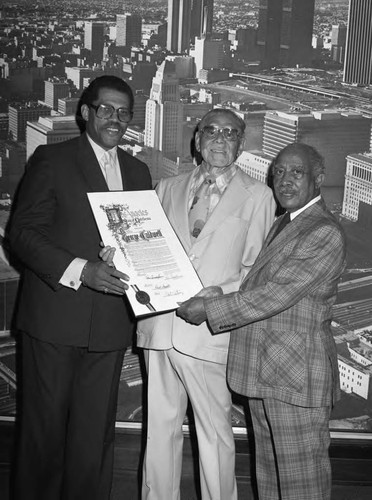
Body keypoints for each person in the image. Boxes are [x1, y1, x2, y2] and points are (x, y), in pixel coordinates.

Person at [8, 75, 152, 500]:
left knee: (94, 439)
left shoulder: (138, 170)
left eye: (124, 112)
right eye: (105, 109)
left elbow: (142, 244)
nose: (115, 118)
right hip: (55, 319)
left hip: (109, 325)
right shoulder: (52, 160)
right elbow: (23, 234)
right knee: (43, 436)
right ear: (86, 113)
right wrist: (80, 270)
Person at [177, 143, 347, 500]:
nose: (285, 181)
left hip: (295, 379)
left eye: (296, 173)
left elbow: (277, 295)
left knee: (302, 485)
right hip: (271, 373)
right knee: (270, 480)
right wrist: (218, 295)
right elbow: (263, 285)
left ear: (319, 178)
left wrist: (212, 310)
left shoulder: (323, 231)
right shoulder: (287, 222)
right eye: (279, 172)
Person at [137, 108, 275, 500]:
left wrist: (214, 301)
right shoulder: (166, 187)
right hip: (160, 327)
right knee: (159, 432)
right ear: (197, 140)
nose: (219, 138)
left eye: (230, 133)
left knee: (214, 435)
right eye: (211, 131)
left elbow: (255, 272)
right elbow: (148, 251)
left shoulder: (259, 196)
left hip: (210, 332)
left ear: (241, 144)